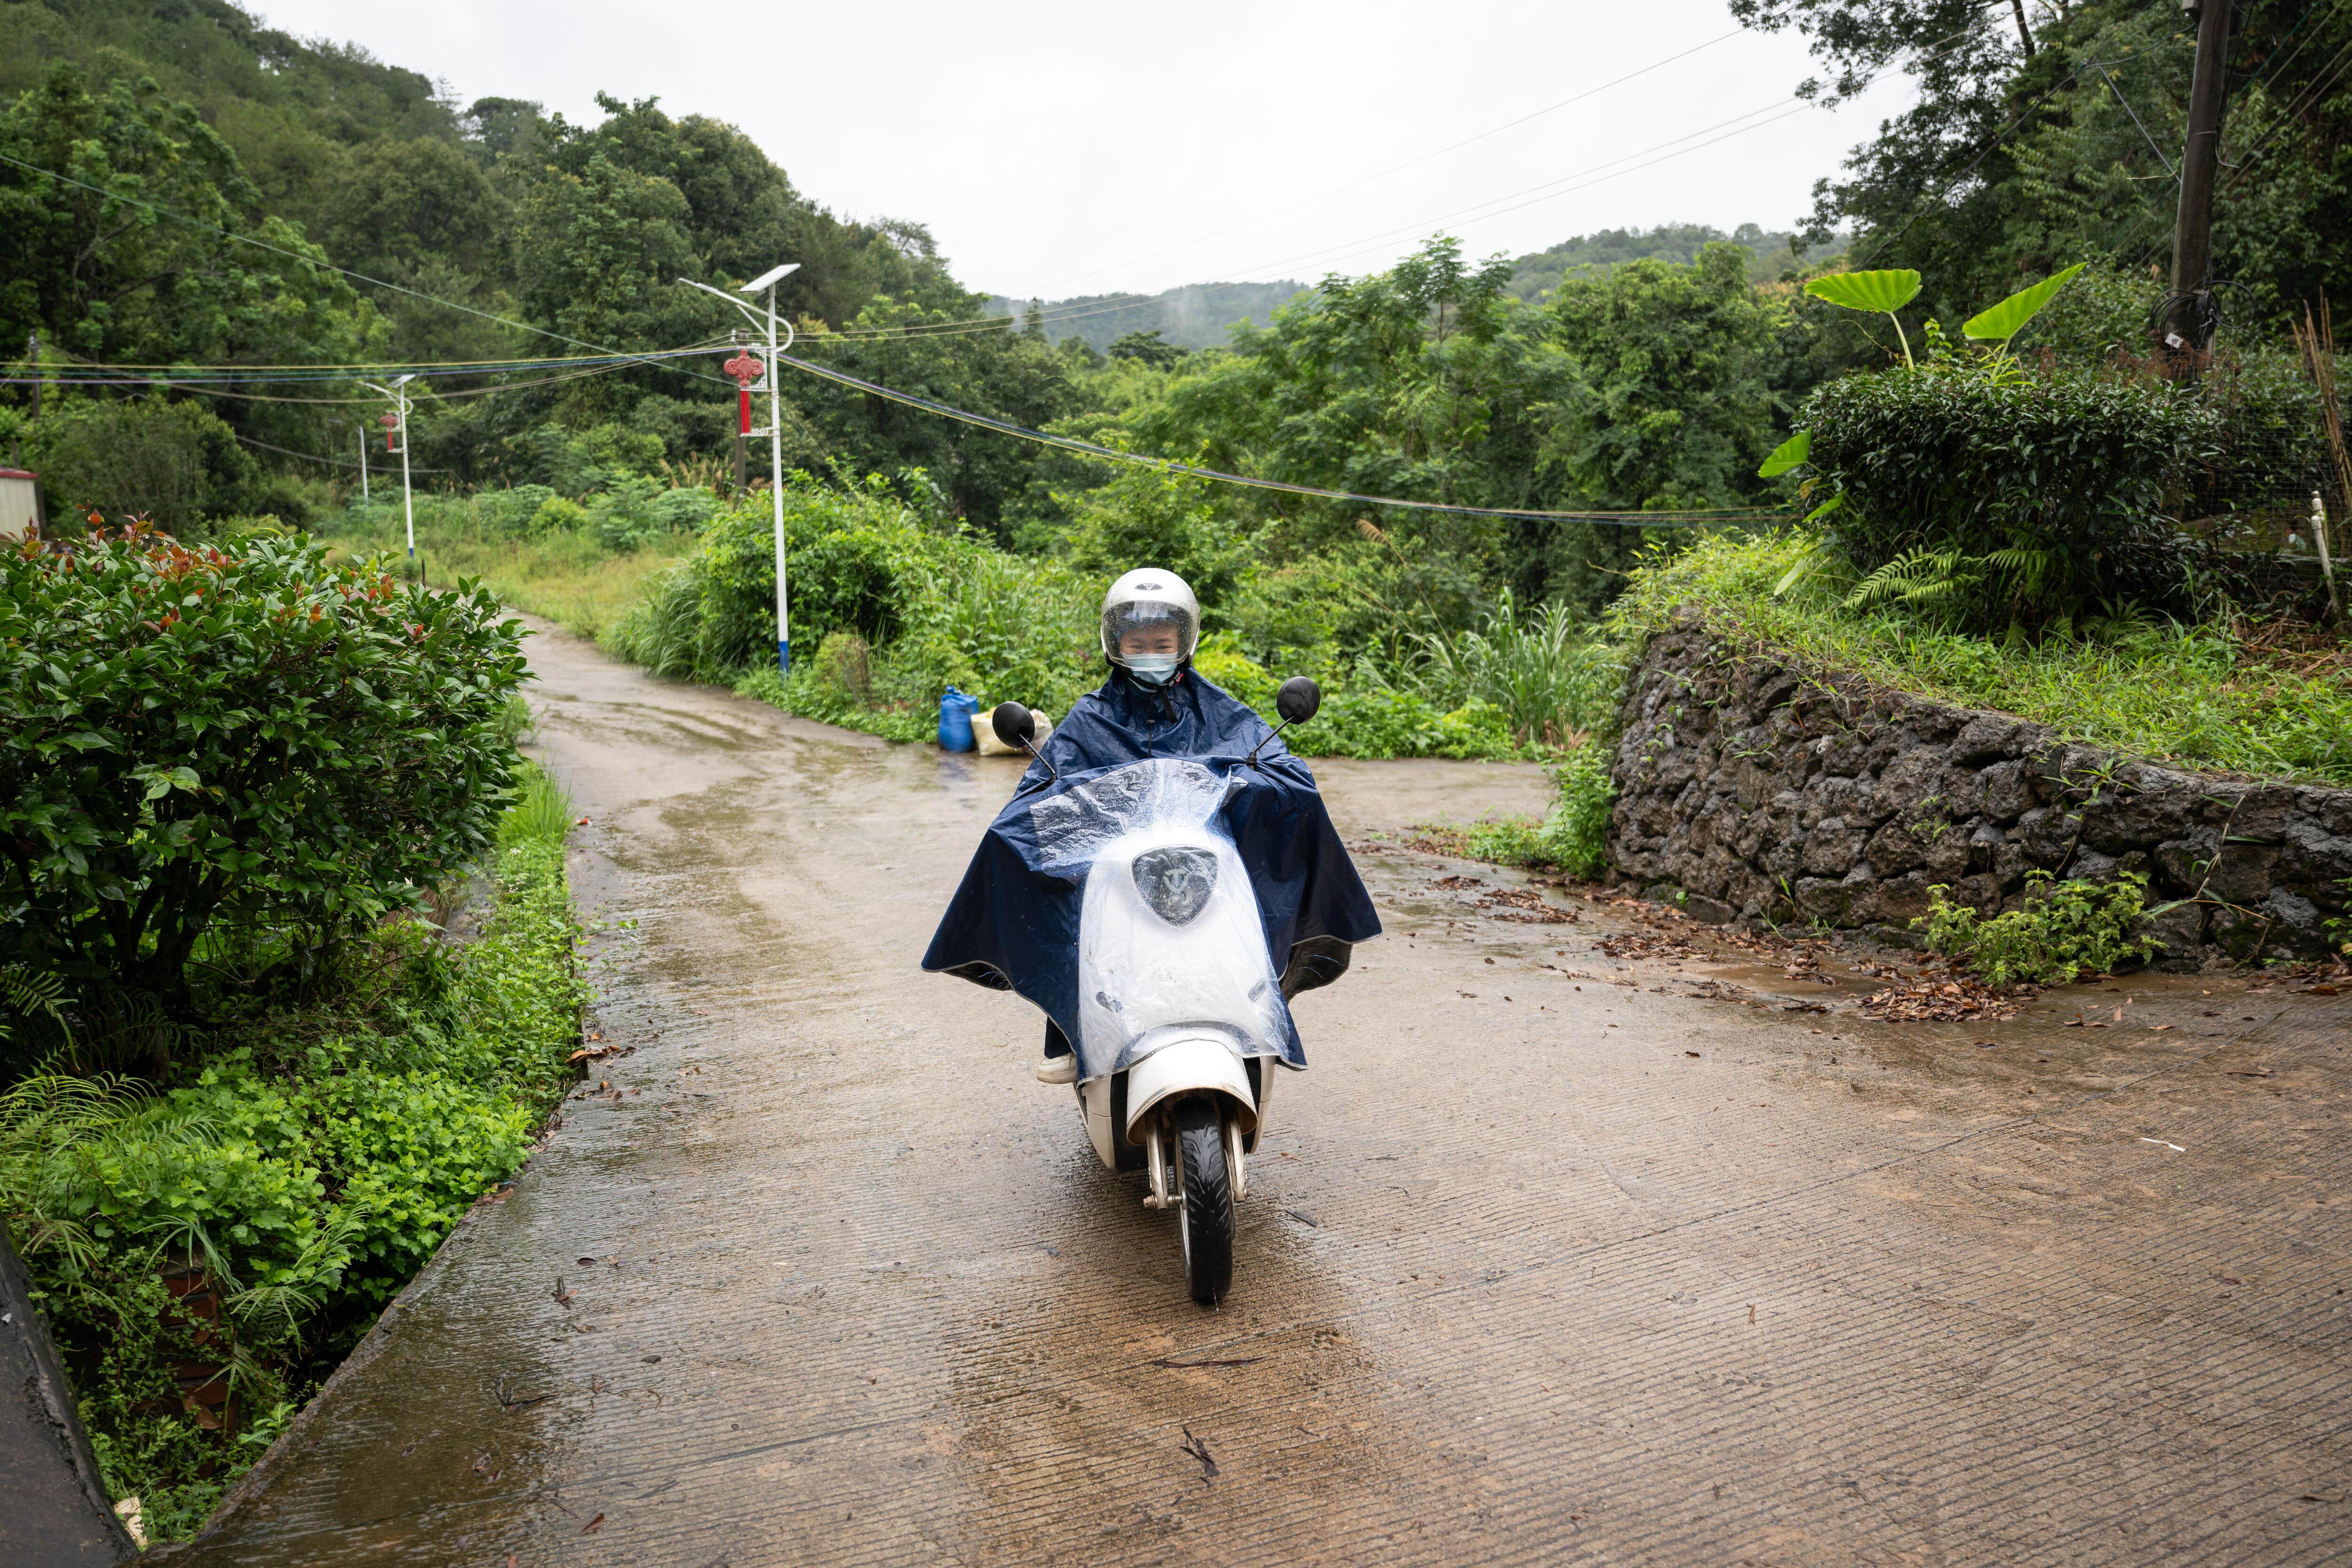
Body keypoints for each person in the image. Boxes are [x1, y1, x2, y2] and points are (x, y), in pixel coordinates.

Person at [921, 565, 1380, 1082]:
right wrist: (1040, 818)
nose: (1149, 652)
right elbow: (1042, 790)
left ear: (1184, 641)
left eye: (1161, 642)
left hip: (1206, 867)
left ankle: (1264, 996)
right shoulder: (1091, 717)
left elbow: (1279, 766)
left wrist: (1252, 789)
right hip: (1118, 878)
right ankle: (1071, 1029)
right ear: (1113, 642)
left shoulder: (1222, 713)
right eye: (1136, 641)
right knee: (1033, 868)